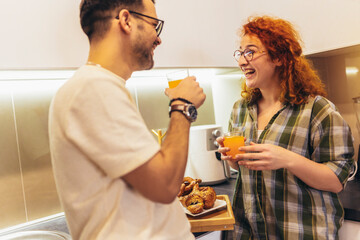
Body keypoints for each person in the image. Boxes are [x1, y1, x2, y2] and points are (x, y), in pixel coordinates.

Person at [48, 0, 206, 239]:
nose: (158, 38)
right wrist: (182, 105)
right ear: (126, 20)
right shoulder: (93, 88)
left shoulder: (102, 87)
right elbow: (164, 185)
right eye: (155, 25)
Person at [217, 16, 354, 240]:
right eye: (240, 53)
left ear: (279, 58)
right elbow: (240, 168)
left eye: (250, 52)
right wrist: (231, 157)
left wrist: (287, 159)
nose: (242, 61)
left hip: (300, 232)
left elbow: (337, 180)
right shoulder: (240, 109)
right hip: (247, 232)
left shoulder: (317, 110)